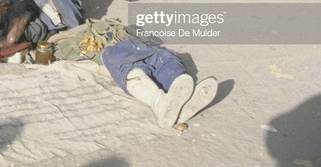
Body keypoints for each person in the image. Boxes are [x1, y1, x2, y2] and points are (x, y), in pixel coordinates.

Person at [49, 20, 218, 130]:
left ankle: (179, 92)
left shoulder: (111, 27)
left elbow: (141, 35)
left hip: (144, 50)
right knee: (128, 66)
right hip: (122, 57)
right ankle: (161, 102)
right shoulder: (72, 41)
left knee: (166, 57)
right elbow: (68, 48)